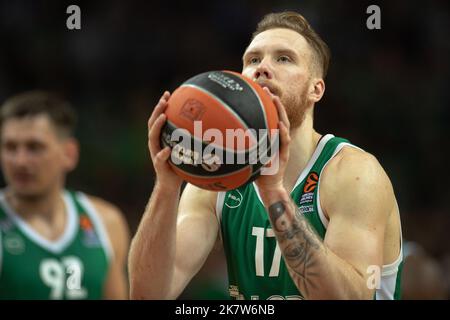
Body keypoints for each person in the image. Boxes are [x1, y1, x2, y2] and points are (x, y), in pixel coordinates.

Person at [129, 11, 403, 300]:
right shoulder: (214, 183)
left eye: (283, 58)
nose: (262, 68)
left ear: (316, 89)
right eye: (253, 60)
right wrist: (167, 186)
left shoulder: (354, 173)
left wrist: (274, 194)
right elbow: (148, 295)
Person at [0, 90, 130, 299]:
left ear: (69, 154)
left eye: (34, 147)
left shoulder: (106, 221)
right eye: (10, 147)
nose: (20, 161)